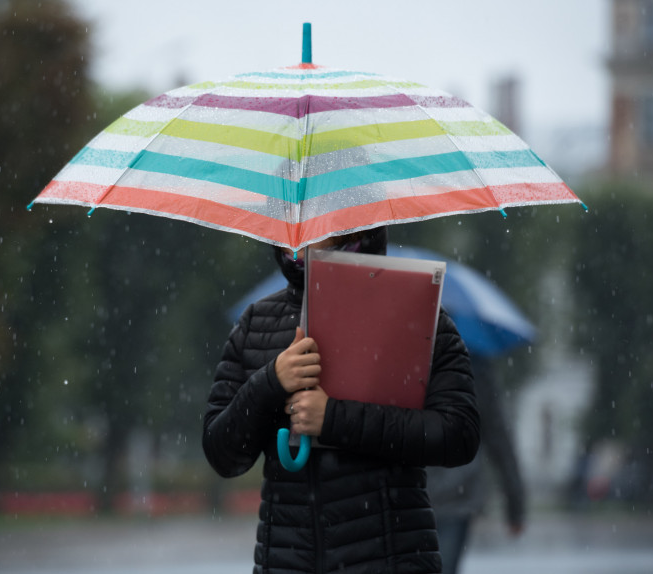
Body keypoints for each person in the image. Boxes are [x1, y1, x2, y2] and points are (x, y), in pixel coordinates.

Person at [202, 226, 481, 574]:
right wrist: (271, 381)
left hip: (393, 559)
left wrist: (332, 418)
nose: (301, 225)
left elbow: (459, 434)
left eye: (321, 216)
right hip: (287, 564)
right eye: (294, 212)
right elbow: (222, 454)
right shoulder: (256, 322)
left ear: (354, 223)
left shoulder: (417, 314)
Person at [428, 356, 526, 574]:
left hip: (414, 491)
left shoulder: (405, 358)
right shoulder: (475, 367)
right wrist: (515, 503)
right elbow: (499, 438)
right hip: (458, 492)